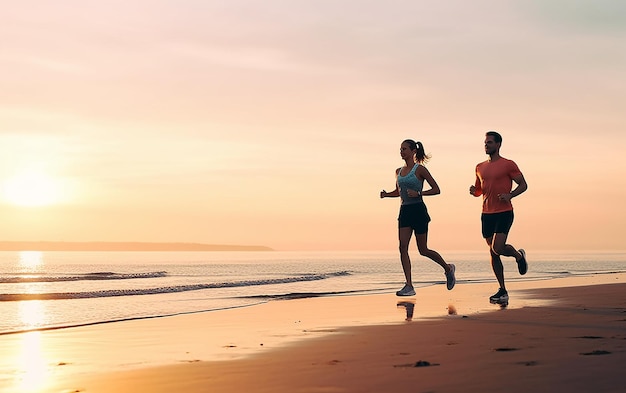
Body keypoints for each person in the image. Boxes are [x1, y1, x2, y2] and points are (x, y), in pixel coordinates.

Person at [380, 139, 456, 296]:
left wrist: (419, 193)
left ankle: (448, 268)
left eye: (404, 149)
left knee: (423, 250)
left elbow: (436, 189)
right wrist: (386, 194)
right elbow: (398, 191)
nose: (401, 152)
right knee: (402, 247)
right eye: (400, 149)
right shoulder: (398, 171)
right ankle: (409, 285)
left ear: (413, 151)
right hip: (404, 211)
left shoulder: (420, 169)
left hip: (419, 211)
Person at [469, 131, 528, 304]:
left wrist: (510, 195)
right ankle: (502, 290)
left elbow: (523, 185)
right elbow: (480, 189)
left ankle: (518, 256)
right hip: (486, 213)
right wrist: (475, 192)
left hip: (504, 212)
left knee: (498, 248)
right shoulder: (479, 167)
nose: (486, 145)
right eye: (485, 142)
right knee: (493, 252)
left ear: (498, 144)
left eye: (490, 142)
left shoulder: (508, 164)